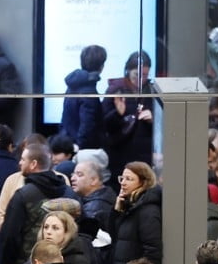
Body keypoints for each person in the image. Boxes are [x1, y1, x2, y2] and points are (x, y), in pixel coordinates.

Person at [102, 51, 155, 179]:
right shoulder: (116, 90)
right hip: (120, 152)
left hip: (144, 153)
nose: (141, 80)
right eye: (137, 75)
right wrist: (117, 114)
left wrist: (154, 118)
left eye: (145, 75)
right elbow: (104, 124)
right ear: (128, 71)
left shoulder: (151, 91)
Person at [61, 44, 108, 150]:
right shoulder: (89, 91)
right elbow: (87, 124)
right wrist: (79, 146)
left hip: (69, 141)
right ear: (101, 66)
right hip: (83, 149)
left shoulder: (72, 86)